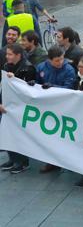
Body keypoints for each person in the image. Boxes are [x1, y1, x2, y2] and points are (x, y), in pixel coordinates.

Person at [35, 45, 76, 174]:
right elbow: (37, 84)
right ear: (49, 60)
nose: (60, 62)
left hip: (63, 108)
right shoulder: (41, 67)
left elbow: (69, 88)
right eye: (57, 60)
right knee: (48, 135)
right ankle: (51, 161)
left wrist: (52, 87)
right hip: (46, 108)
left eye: (62, 59)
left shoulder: (69, 70)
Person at [0, 43, 37, 174]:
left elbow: (29, 90)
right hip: (8, 106)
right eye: (7, 54)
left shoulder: (28, 68)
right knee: (7, 132)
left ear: (18, 55)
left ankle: (22, 161)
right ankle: (13, 158)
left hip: (20, 108)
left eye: (10, 54)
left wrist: (14, 79)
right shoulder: (6, 66)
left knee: (19, 135)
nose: (7, 56)